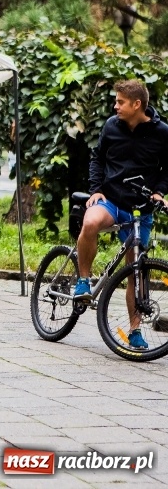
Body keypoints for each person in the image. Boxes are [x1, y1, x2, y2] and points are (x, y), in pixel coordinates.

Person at [75, 79, 168, 350]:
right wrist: (96, 190)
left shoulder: (162, 132)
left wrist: (159, 192)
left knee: (135, 271)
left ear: (137, 104)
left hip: (140, 208)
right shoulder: (111, 126)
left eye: (120, 102)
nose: (115, 106)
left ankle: (135, 331)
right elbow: (97, 158)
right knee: (91, 221)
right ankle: (83, 281)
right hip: (111, 200)